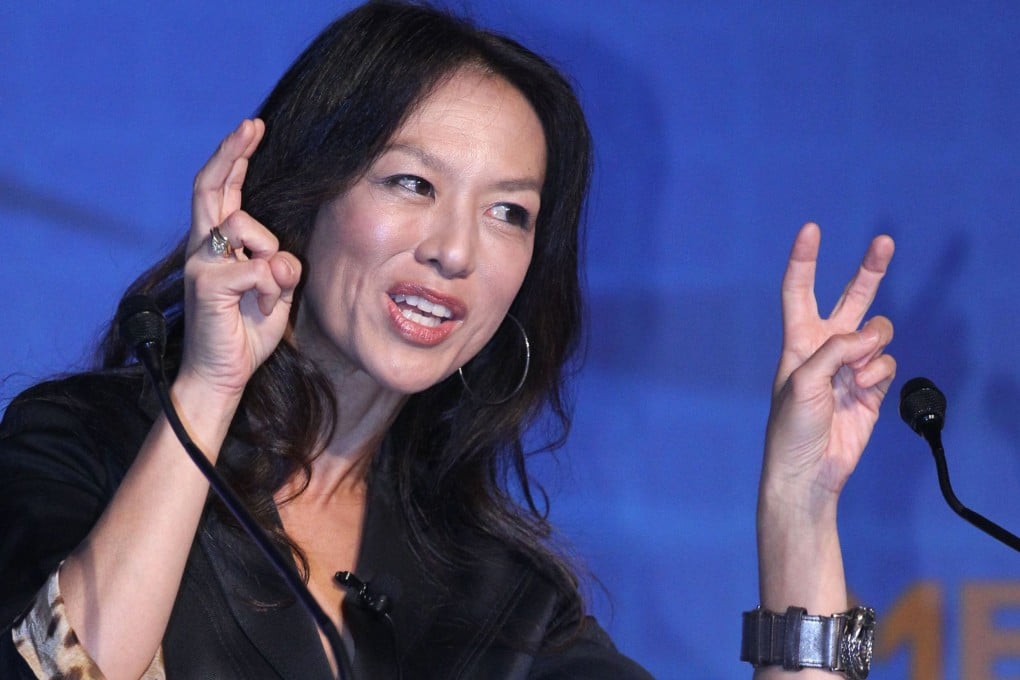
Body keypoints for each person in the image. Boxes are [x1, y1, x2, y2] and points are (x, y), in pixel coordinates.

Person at [0, 1, 896, 679]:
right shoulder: (84, 447)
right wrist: (206, 387)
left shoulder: (499, 598)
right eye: (411, 183)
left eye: (509, 212)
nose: (457, 250)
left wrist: (799, 509)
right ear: (307, 194)